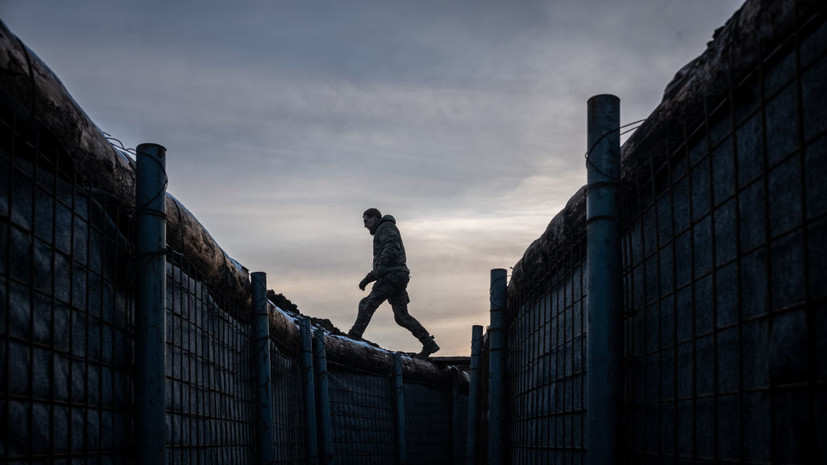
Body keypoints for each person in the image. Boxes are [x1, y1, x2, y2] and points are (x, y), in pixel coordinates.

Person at [347, 208, 440, 358]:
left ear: (375, 218)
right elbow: (381, 264)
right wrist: (368, 279)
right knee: (401, 316)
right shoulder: (383, 230)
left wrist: (382, 267)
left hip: (393, 275)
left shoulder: (386, 228)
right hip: (398, 275)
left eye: (366, 220)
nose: (365, 225)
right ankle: (429, 343)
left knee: (367, 303)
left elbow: (391, 247)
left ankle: (354, 335)